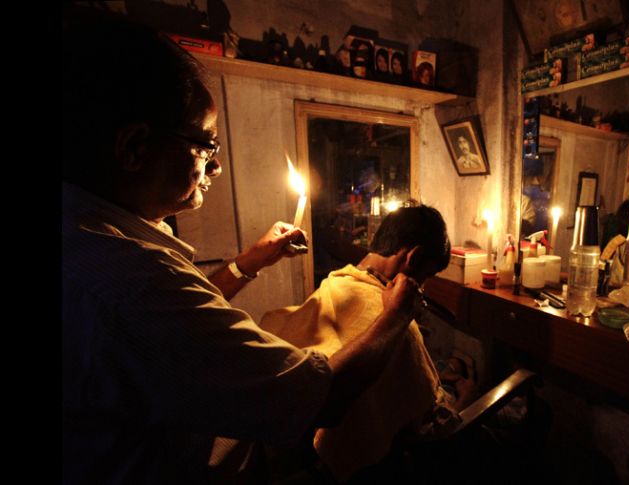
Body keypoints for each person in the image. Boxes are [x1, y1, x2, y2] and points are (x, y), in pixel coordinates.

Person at [62, 12, 422, 484]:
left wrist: (248, 263)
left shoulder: (92, 234)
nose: (214, 169)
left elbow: (174, 330)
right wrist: (396, 316)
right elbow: (322, 397)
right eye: (204, 146)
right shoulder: (131, 283)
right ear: (133, 147)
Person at [259, 204, 452, 481]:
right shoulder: (397, 326)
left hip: (293, 450)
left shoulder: (334, 283)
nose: (423, 287)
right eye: (426, 276)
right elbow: (420, 423)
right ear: (414, 256)